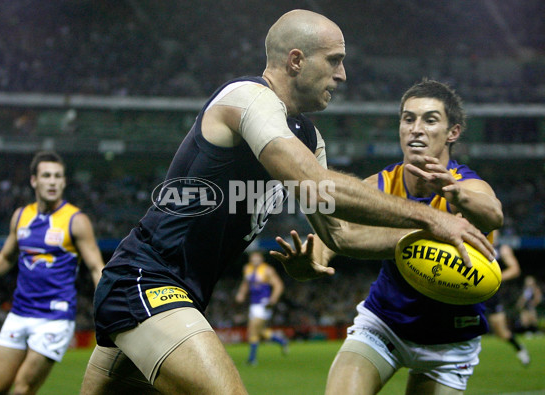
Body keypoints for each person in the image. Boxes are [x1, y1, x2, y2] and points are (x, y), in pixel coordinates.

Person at [79, 10, 493, 395]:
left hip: (182, 294)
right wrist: (432, 218)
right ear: (297, 60)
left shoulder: (310, 139)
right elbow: (313, 182)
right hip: (146, 280)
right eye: (334, 61)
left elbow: (342, 234)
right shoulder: (248, 98)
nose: (343, 75)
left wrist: (422, 238)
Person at [272, 80, 503, 395]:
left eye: (430, 120)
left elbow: (493, 213)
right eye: (408, 119)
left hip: (449, 343)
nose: (416, 129)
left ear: (453, 132)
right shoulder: (378, 185)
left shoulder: (468, 186)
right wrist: (312, 261)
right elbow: (334, 234)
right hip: (384, 324)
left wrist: (458, 195)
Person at [0, 151, 105, 395]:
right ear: (34, 180)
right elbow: (7, 257)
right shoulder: (21, 216)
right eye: (46, 176)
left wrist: (106, 305)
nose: (52, 181)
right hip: (19, 313)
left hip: (55, 317)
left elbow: (96, 267)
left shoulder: (76, 220)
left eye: (58, 176)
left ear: (64, 182)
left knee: (22, 389)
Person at [484, 231, 530, 365]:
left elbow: (515, 269)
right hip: (472, 292)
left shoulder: (502, 249)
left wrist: (496, 278)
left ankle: (520, 348)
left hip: (492, 295)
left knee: (501, 332)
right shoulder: (474, 244)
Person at [235, 251, 288, 365]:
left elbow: (278, 285)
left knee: (253, 330)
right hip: (253, 304)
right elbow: (245, 283)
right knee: (259, 331)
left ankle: (252, 359)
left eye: (257, 258)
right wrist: (241, 294)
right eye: (253, 258)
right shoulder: (247, 269)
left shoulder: (267, 270)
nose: (255, 260)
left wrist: (273, 299)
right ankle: (281, 341)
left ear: (261, 259)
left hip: (264, 304)